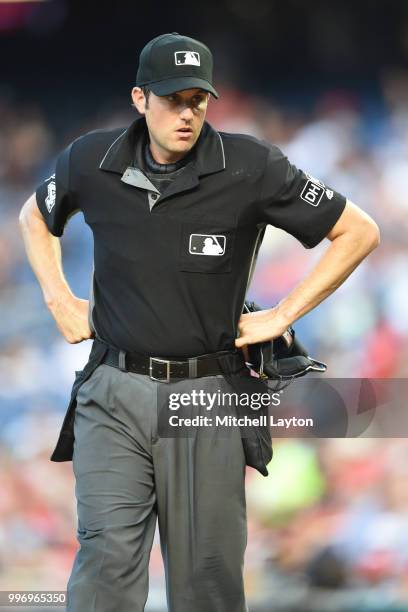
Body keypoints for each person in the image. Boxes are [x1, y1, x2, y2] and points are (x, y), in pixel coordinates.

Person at [19, 32, 380, 612]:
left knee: (206, 578)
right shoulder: (91, 159)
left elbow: (357, 230)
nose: (186, 114)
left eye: (197, 99)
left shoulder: (251, 166)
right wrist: (59, 299)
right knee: (105, 566)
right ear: (140, 99)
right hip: (112, 387)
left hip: (208, 393)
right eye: (172, 99)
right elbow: (34, 218)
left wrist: (284, 313)